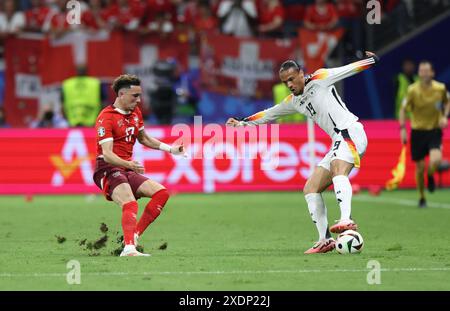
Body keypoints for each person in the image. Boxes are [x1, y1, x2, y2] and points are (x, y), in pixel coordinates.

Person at [226, 51, 379, 254]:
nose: (289, 84)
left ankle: (346, 220)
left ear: (301, 74)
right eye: (284, 82)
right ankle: (325, 239)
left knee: (337, 169)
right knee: (311, 187)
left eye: (291, 79)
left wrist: (372, 60)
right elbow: (270, 113)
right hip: (338, 139)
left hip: (350, 131)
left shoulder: (320, 78)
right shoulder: (295, 101)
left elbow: (349, 69)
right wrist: (243, 122)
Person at [93, 74, 184, 256]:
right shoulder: (106, 118)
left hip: (126, 168)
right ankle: (129, 249)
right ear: (121, 94)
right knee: (130, 203)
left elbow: (144, 138)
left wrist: (170, 149)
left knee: (161, 193)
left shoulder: (135, 113)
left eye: (140, 95)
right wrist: (129, 164)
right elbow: (107, 155)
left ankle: (134, 235)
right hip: (107, 169)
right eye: (135, 96)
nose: (139, 100)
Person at [399, 61, 450, 208]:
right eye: (421, 71)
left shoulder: (440, 88)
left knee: (436, 160)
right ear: (419, 73)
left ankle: (431, 175)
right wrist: (402, 128)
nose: (424, 73)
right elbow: (403, 109)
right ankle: (422, 197)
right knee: (419, 168)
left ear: (432, 73)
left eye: (427, 71)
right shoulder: (412, 90)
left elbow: (447, 102)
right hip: (417, 132)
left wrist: (444, 116)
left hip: (434, 131)